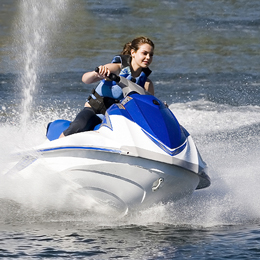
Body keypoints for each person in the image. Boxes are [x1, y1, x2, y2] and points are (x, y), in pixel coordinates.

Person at [60, 36, 155, 138]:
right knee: (77, 127)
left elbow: (148, 110)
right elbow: (85, 79)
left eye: (151, 55)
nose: (148, 57)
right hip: (95, 112)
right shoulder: (117, 68)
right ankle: (59, 143)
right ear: (133, 52)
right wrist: (96, 74)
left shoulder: (146, 83)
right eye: (144, 53)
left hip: (119, 118)